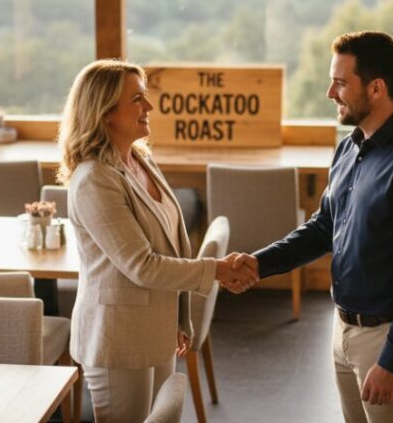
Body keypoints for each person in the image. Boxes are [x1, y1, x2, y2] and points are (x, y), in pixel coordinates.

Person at [237, 31, 393, 422]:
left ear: (376, 88)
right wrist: (259, 263)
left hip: (388, 340)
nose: (329, 92)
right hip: (343, 330)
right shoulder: (348, 147)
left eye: (340, 82)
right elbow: (323, 228)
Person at [57, 59, 255, 422]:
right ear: (105, 113)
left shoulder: (139, 159)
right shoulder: (93, 180)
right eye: (137, 99)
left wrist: (181, 318)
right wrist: (217, 271)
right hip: (118, 341)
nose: (149, 107)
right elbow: (141, 265)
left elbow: (171, 243)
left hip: (156, 329)